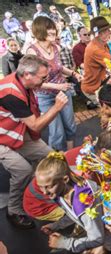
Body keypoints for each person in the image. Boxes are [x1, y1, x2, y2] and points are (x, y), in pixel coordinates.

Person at [0, 55, 68, 229]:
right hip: (3, 138)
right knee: (23, 170)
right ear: (28, 75)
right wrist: (57, 107)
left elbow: (40, 84)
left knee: (51, 157)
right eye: (43, 77)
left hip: (16, 131)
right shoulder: (11, 93)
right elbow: (36, 126)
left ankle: (50, 191)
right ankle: (14, 210)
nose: (45, 81)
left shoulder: (23, 80)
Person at [36, 151, 111, 254]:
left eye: (48, 187)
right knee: (78, 247)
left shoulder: (82, 203)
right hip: (97, 223)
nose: (44, 192)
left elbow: (97, 239)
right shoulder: (61, 190)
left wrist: (64, 243)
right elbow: (72, 213)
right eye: (41, 187)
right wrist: (55, 226)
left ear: (65, 180)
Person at [23, 130, 111, 222]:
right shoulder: (83, 170)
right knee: (89, 217)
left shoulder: (91, 153)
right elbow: (88, 199)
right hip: (41, 206)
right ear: (104, 152)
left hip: (47, 193)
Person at [26, 16, 79, 152]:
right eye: (48, 28)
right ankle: (58, 162)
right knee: (57, 133)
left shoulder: (55, 47)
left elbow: (60, 68)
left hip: (63, 92)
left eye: (53, 28)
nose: (53, 31)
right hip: (46, 97)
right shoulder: (32, 52)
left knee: (70, 126)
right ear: (39, 30)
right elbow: (33, 82)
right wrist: (57, 86)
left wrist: (73, 74)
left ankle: (69, 155)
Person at [81, 17, 111, 108]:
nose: (110, 32)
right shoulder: (94, 49)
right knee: (110, 111)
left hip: (99, 84)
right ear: (101, 34)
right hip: (93, 88)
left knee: (110, 111)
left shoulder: (103, 44)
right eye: (107, 30)